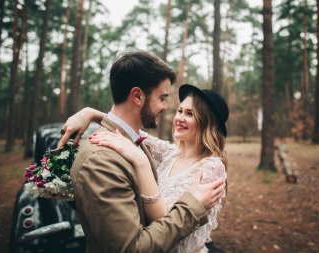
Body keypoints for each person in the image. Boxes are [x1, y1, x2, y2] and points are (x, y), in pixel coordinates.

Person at [60, 50, 226, 253]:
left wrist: (92, 113)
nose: (169, 109)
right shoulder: (104, 160)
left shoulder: (206, 166)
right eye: (163, 98)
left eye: (189, 114)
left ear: (206, 124)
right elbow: (132, 247)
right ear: (137, 96)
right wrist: (90, 113)